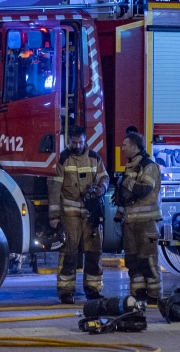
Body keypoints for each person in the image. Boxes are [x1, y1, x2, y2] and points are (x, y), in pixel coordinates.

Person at [48, 126, 109, 303]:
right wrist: (54, 216)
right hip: (70, 215)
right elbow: (54, 189)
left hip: (91, 214)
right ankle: (66, 292)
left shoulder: (94, 158)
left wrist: (101, 189)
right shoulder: (63, 159)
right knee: (69, 253)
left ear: (85, 141)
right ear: (68, 142)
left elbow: (104, 177)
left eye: (80, 142)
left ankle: (93, 289)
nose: (77, 145)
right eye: (74, 143)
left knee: (94, 252)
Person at [113, 130, 162, 304]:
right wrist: (119, 214)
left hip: (146, 223)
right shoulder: (130, 166)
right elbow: (125, 196)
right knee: (132, 260)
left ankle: (154, 295)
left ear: (134, 146)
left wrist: (126, 182)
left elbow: (145, 189)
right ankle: (138, 292)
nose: (123, 148)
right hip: (131, 222)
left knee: (147, 260)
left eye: (125, 145)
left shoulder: (149, 166)